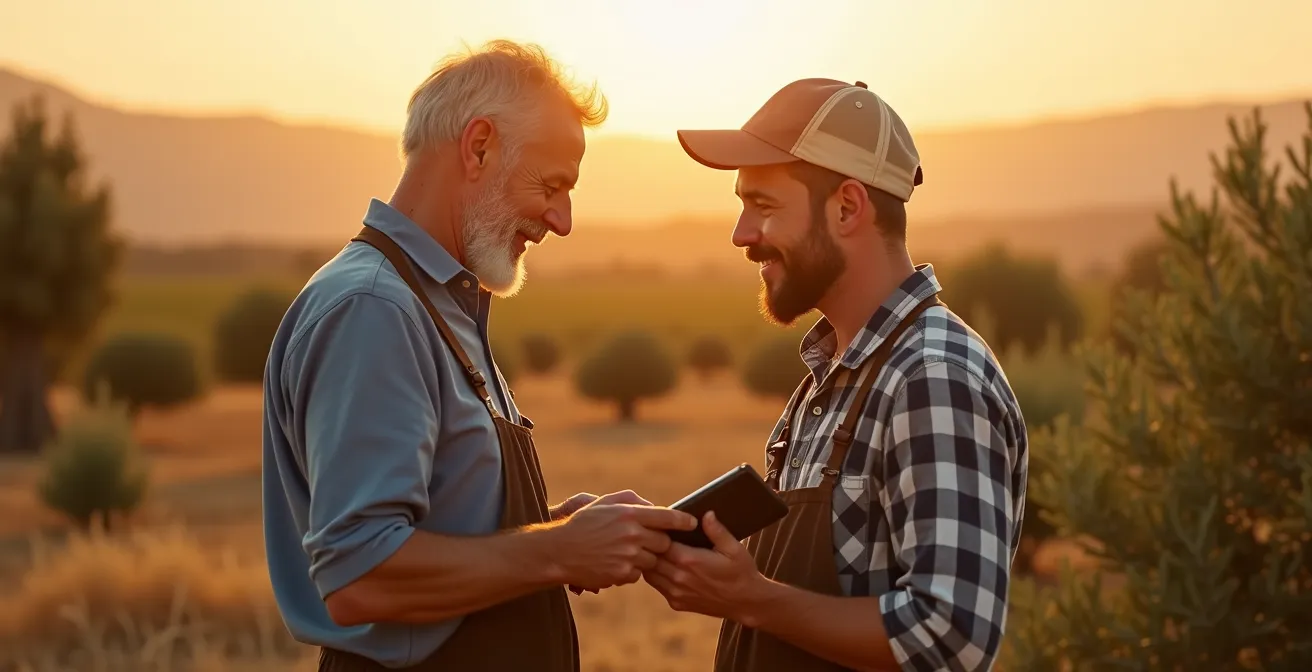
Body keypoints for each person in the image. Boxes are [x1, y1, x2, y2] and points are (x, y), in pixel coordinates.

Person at [261, 40, 697, 672]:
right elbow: (363, 574)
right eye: (552, 185)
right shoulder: (375, 309)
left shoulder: (438, 303)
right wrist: (558, 553)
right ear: (479, 147)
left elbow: (432, 526)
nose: (563, 219)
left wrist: (556, 529)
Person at [644, 78, 1030, 671]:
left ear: (847, 207)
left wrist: (755, 601)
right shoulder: (833, 375)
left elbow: (950, 636)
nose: (741, 234)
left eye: (763, 206)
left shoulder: (931, 377)